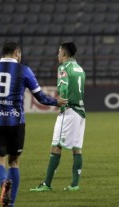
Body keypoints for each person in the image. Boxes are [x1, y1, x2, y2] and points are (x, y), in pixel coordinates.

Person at [0, 42, 67, 207]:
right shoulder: (24, 70)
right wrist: (56, 101)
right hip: (16, 124)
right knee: (14, 162)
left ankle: (3, 183)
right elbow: (41, 98)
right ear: (17, 53)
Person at [30, 41, 86, 192]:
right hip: (80, 111)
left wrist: (61, 101)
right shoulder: (80, 69)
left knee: (56, 145)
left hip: (69, 111)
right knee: (76, 148)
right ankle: (74, 184)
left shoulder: (64, 68)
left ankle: (47, 184)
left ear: (64, 53)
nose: (58, 55)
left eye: (59, 52)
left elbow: (64, 86)